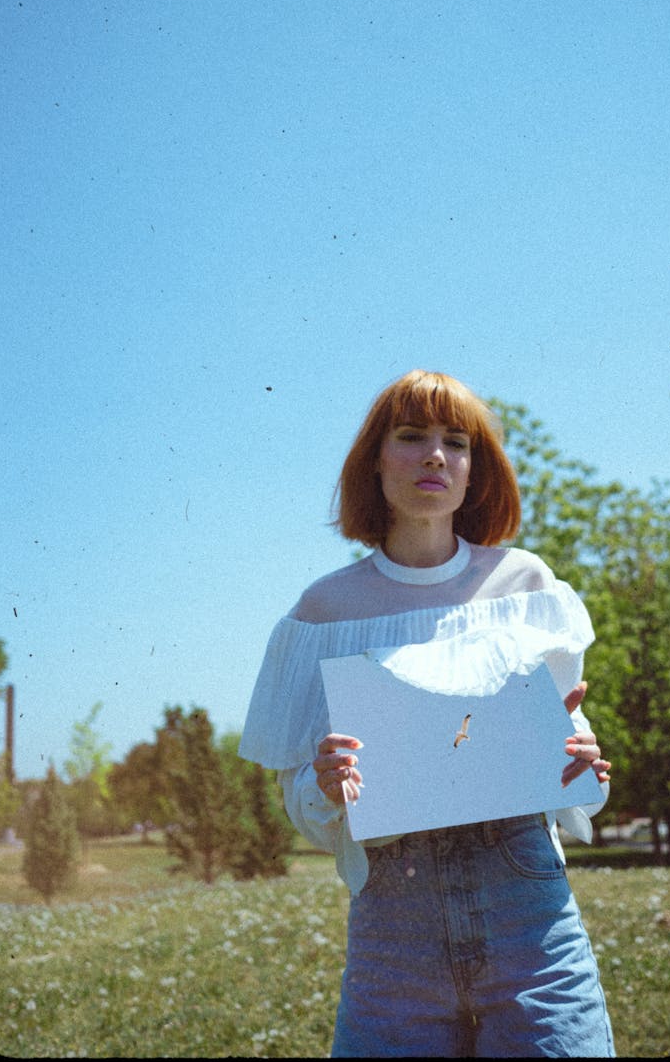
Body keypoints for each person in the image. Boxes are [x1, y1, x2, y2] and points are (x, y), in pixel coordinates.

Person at [239, 370, 614, 1058]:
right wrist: (324, 784)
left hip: (530, 913)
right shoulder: (322, 612)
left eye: (456, 441)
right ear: (375, 461)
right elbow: (301, 796)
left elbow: (569, 757)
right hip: (394, 929)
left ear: (476, 470)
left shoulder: (528, 584)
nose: (435, 456)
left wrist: (581, 757)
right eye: (411, 437)